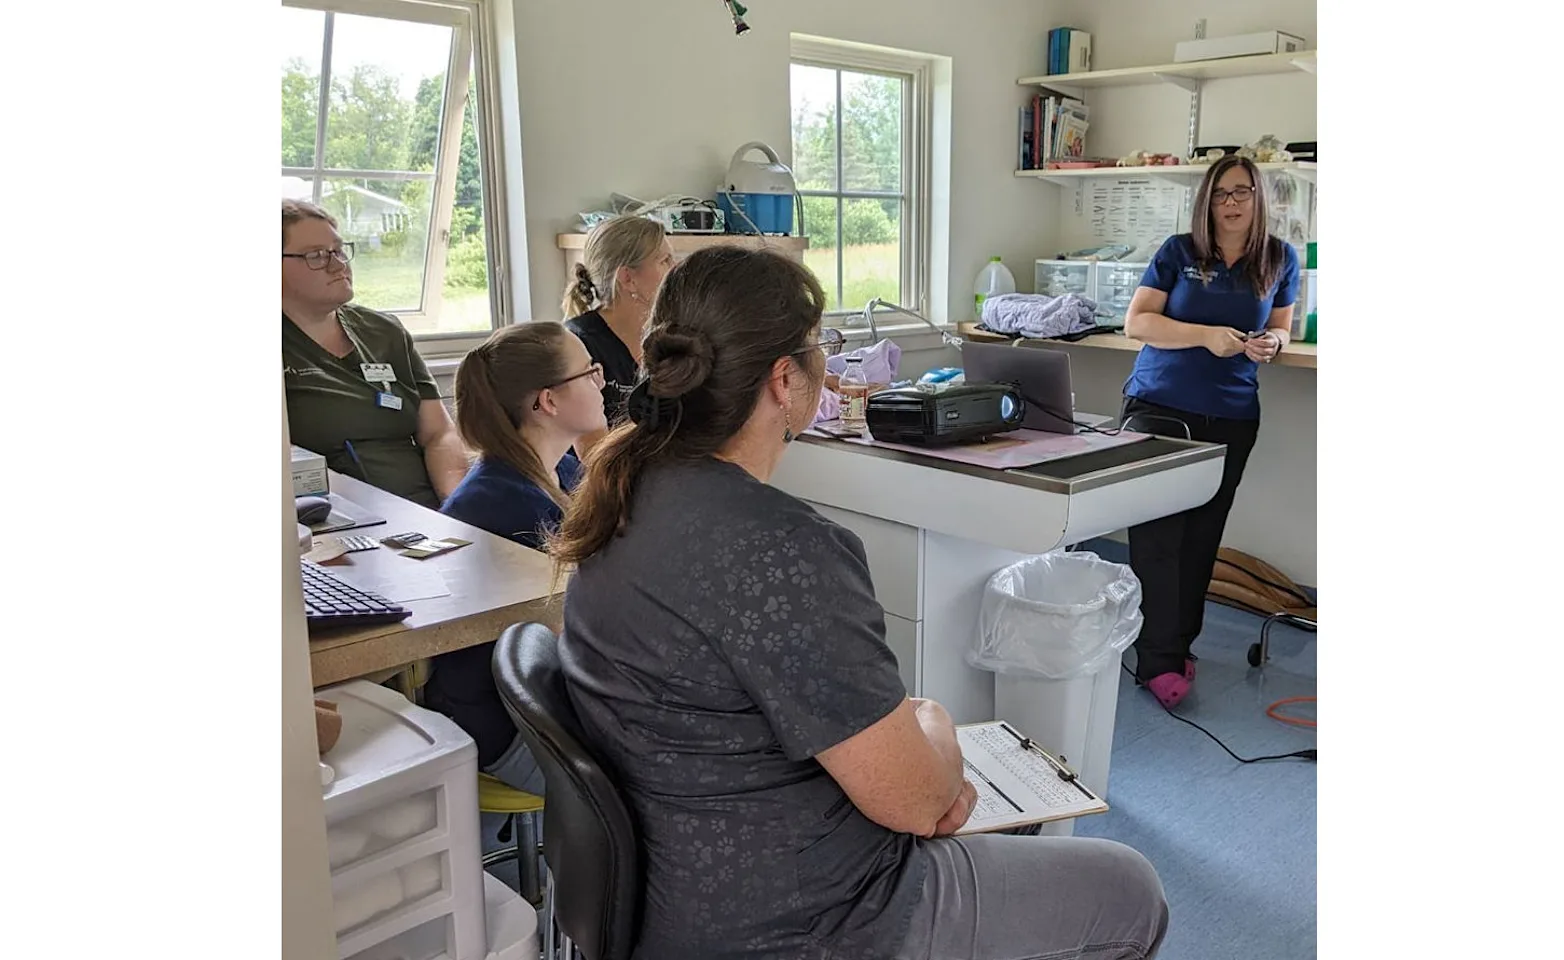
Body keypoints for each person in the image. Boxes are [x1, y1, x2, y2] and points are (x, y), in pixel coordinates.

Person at [551, 247, 1168, 960]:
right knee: (1129, 889)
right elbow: (918, 803)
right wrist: (934, 727)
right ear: (785, 380)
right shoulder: (784, 551)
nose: (828, 363)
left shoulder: (618, 498)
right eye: (823, 347)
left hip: (681, 896)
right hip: (809, 920)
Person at [1120, 155, 1301, 708]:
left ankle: (1176, 648)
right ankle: (1156, 661)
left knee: (1200, 538)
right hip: (1158, 407)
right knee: (1155, 538)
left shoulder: (1280, 258)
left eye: (1242, 191)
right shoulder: (1179, 251)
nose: (1231, 202)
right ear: (1206, 199)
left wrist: (1273, 345)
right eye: (1220, 193)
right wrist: (1204, 336)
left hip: (1231, 415)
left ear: (1258, 198)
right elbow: (1137, 322)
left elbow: (1282, 327)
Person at [419, 321, 608, 792]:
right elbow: (581, 635)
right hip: (508, 724)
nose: (601, 382)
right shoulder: (507, 505)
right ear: (548, 401)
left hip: (540, 698)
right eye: (589, 373)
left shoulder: (558, 467)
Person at [282, 199, 467, 509]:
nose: (339, 264)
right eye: (316, 255)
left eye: (339, 251)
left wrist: (456, 505)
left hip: (425, 514)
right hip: (332, 521)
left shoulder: (384, 331)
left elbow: (438, 433)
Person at [560, 215, 675, 457]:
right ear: (627, 278)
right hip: (600, 486)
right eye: (664, 260)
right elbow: (593, 455)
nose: (675, 269)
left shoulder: (669, 337)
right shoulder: (578, 344)